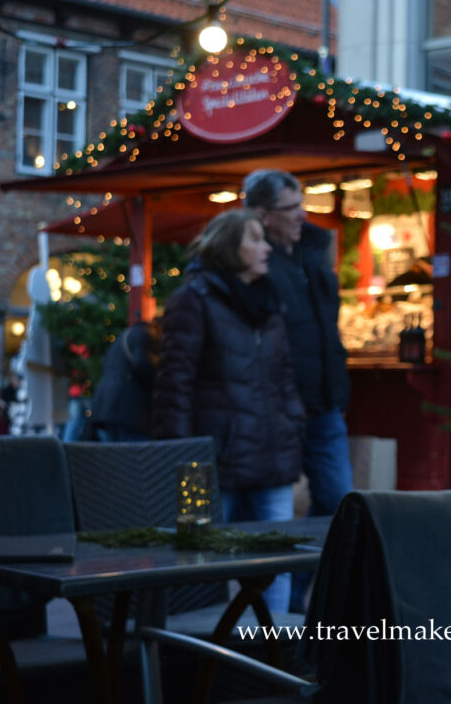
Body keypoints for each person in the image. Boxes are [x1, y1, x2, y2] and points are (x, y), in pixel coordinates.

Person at [153, 208, 305, 613]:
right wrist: (184, 457)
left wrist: (294, 427)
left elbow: (284, 377)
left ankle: (273, 653)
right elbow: (175, 383)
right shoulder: (193, 298)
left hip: (272, 456)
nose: (266, 247)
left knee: (279, 563)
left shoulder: (269, 303)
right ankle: (207, 660)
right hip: (209, 462)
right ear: (228, 247)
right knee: (197, 559)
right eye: (254, 238)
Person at [242, 170, 352, 612]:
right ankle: (274, 608)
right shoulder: (258, 260)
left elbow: (326, 326)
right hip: (281, 404)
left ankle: (298, 594)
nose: (302, 215)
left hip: (324, 402)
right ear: (264, 215)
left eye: (302, 205)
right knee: (270, 510)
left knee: (337, 500)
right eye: (291, 209)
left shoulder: (313, 252)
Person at [90, 320, 160, 442]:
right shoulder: (146, 334)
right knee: (135, 454)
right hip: (129, 410)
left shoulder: (124, 336)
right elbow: (143, 365)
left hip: (106, 407)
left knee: (116, 453)